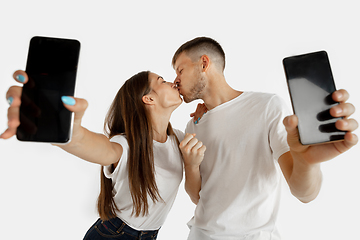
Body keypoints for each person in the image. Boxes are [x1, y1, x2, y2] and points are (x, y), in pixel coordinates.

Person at [172, 37, 358, 240]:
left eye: (180, 70)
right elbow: (196, 196)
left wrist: (306, 163)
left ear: (204, 63)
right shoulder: (194, 125)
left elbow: (304, 193)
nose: (175, 80)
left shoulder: (267, 106)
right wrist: (190, 166)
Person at [1, 70, 206, 239]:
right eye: (161, 80)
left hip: (149, 235)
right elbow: (98, 148)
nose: (172, 82)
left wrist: (204, 115)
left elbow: (197, 190)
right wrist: (62, 129)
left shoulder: (178, 139)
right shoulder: (126, 145)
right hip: (114, 234)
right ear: (149, 98)